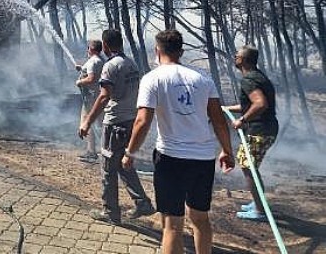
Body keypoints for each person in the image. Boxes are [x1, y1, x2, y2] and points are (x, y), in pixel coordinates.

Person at [123, 29, 234, 254]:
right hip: (203, 159)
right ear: (181, 51)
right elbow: (219, 121)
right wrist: (226, 150)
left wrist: (130, 153)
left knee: (172, 224)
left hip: (170, 159)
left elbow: (142, 121)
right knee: (200, 219)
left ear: (157, 50)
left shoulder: (152, 78)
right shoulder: (204, 78)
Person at [79, 29, 155, 224]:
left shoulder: (110, 66)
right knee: (123, 164)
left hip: (114, 123)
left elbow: (104, 96)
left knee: (107, 168)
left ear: (105, 45)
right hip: (130, 120)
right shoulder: (131, 63)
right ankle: (142, 203)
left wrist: (87, 121)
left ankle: (110, 211)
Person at [223, 45, 279, 222]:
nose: (234, 58)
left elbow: (260, 104)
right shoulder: (258, 77)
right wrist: (226, 108)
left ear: (243, 60)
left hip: (258, 130)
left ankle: (260, 211)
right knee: (251, 168)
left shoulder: (249, 80)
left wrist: (242, 120)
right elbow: (251, 105)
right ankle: (258, 203)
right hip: (266, 128)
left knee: (249, 169)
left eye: (237, 55)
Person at [76, 39, 104, 163]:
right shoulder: (101, 60)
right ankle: (105, 150)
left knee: (87, 123)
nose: (87, 50)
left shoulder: (93, 61)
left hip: (91, 98)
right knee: (99, 123)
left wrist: (80, 82)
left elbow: (92, 78)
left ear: (91, 49)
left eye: (88, 48)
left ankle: (91, 152)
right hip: (97, 96)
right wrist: (82, 69)